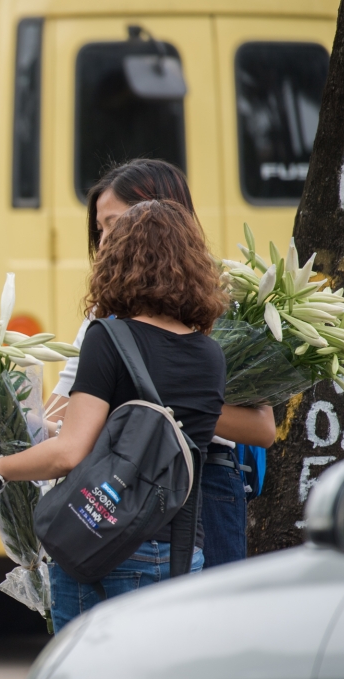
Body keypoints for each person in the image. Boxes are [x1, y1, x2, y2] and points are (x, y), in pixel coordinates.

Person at [0, 200, 227, 631]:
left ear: (120, 259)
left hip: (101, 536)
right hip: (174, 549)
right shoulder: (211, 354)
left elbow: (69, 452)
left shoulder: (110, 338)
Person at [47, 159, 275, 567]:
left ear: (160, 218)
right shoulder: (105, 315)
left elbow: (262, 428)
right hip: (123, 485)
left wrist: (153, 402)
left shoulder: (219, 304)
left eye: (114, 225)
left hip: (204, 484)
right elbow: (61, 414)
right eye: (99, 229)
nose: (103, 243)